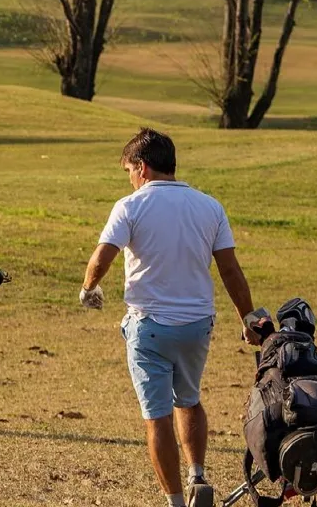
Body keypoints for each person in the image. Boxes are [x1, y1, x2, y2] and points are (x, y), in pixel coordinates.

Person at [79, 128, 269, 507]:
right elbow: (230, 270)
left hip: (149, 325)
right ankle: (197, 473)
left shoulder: (130, 206)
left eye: (129, 171)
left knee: (157, 416)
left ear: (142, 167)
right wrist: (247, 317)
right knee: (190, 399)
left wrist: (89, 289)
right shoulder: (209, 206)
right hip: (197, 324)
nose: (130, 179)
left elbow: (103, 256)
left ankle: (176, 501)